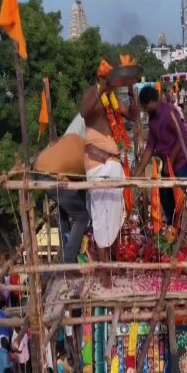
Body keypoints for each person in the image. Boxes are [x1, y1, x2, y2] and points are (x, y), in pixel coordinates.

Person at [80, 60, 138, 267]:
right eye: (111, 79)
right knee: (101, 219)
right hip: (98, 163)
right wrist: (102, 89)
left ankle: (110, 265)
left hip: (113, 165)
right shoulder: (92, 96)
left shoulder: (112, 99)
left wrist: (131, 89)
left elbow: (134, 116)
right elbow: (84, 112)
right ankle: (104, 269)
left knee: (114, 218)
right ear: (103, 79)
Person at [136, 85, 187, 224]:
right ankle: (171, 227)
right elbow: (150, 147)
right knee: (165, 196)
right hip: (168, 163)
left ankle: (183, 228)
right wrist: (139, 171)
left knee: (179, 196)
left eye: (145, 108)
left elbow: (181, 138)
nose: (145, 111)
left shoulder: (170, 113)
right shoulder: (152, 121)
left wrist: (169, 162)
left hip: (182, 159)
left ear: (151, 102)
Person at [33, 114, 90, 265]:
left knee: (64, 210)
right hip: (52, 176)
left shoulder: (75, 130)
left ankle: (68, 251)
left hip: (41, 171)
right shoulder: (86, 137)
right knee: (82, 216)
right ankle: (69, 262)